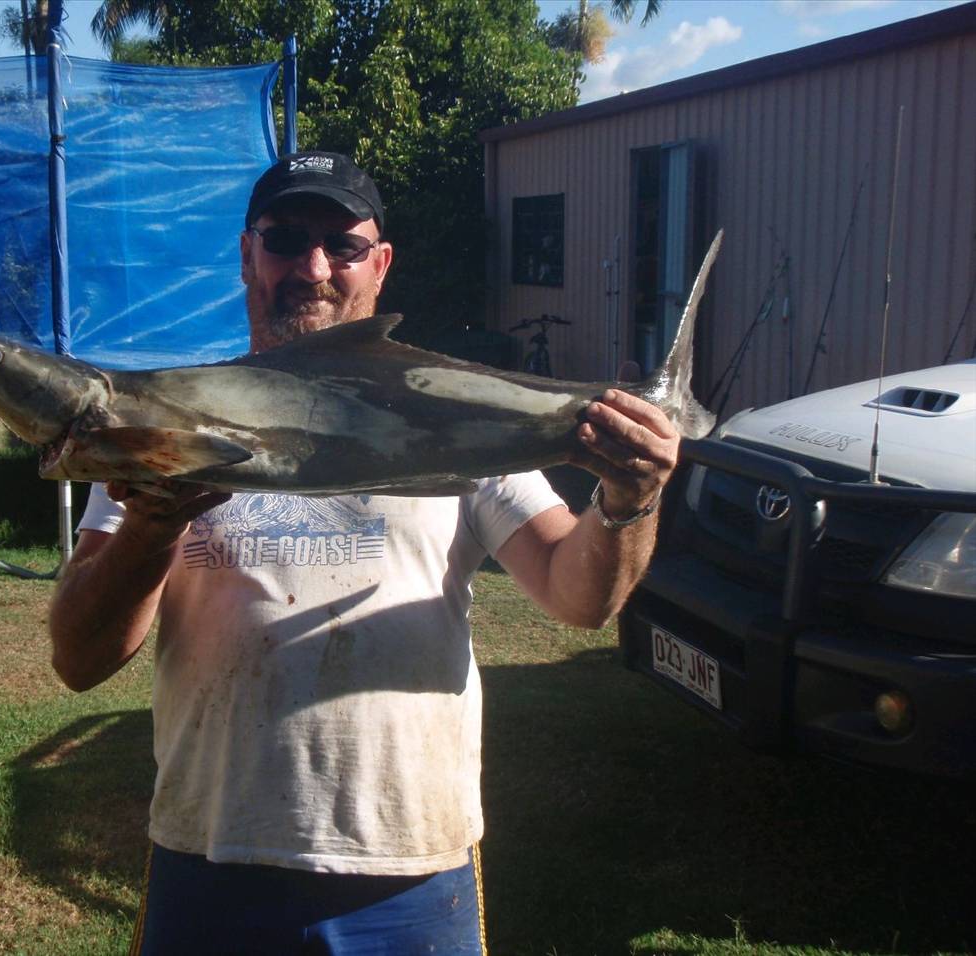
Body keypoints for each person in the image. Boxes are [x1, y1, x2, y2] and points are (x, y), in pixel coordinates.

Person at [48, 151, 679, 954]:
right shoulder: (164, 424)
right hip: (210, 859)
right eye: (284, 239)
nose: (312, 268)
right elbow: (79, 657)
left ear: (378, 266)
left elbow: (576, 595)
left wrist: (632, 498)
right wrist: (150, 526)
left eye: (342, 246)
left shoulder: (450, 414)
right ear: (247, 253)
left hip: (408, 874)